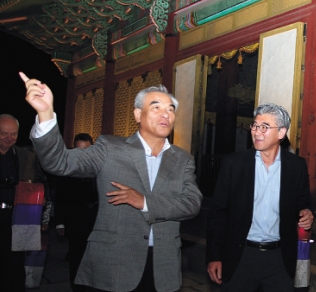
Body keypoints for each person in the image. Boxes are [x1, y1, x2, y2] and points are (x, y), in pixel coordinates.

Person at [20, 72, 203, 292]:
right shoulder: (110, 148)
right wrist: (46, 113)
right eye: (156, 107)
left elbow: (192, 203)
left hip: (163, 268)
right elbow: (59, 162)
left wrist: (145, 202)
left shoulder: (183, 159)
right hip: (114, 263)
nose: (166, 114)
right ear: (137, 114)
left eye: (170, 109)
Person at [206, 103, 313, 292]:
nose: (256, 132)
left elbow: (302, 200)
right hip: (240, 255)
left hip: (279, 258)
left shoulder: (296, 167)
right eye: (254, 126)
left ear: (281, 132)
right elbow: (218, 212)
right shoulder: (234, 164)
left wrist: (306, 211)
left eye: (264, 127)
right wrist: (214, 255)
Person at [0, 114, 50, 292]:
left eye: (13, 134)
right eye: (4, 134)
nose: (9, 138)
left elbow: (41, 181)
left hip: (18, 220)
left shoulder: (25, 156)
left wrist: (39, 197)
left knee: (15, 266)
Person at [55, 133, 97, 292]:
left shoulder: (99, 166)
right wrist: (60, 221)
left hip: (96, 222)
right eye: (79, 150)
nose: (82, 154)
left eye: (86, 150)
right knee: (77, 258)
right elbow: (60, 197)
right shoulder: (67, 169)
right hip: (75, 222)